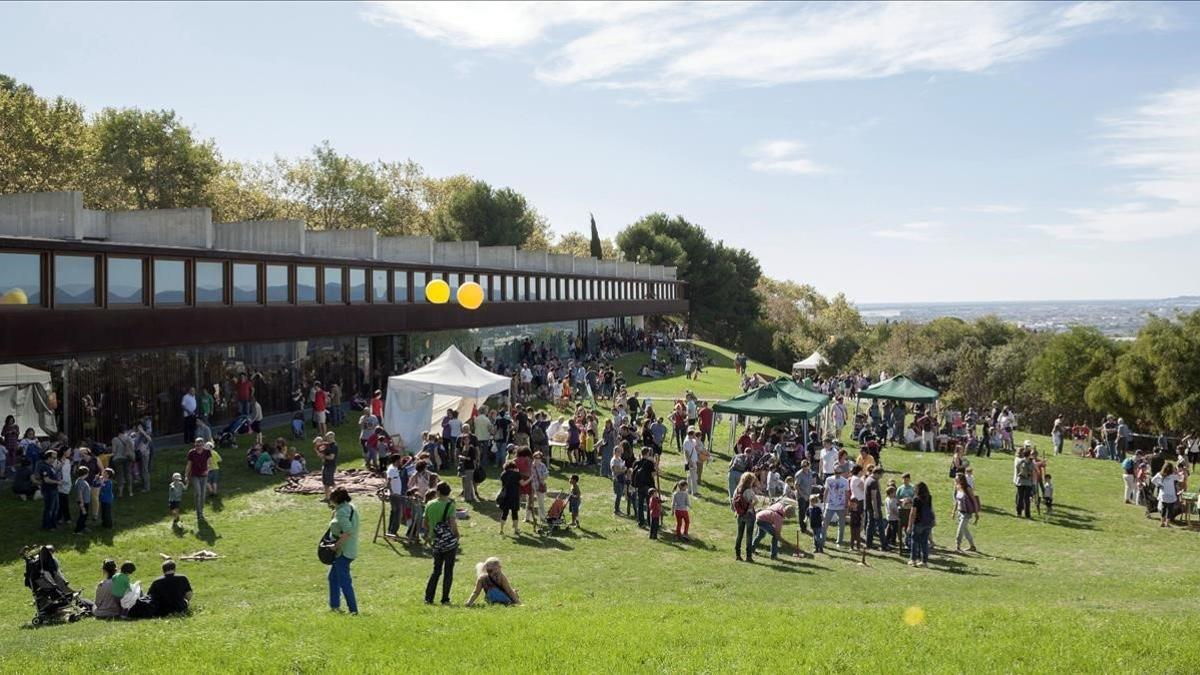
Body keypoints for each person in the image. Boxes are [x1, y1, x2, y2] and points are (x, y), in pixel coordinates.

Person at [424, 482, 460, 605]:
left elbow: (425, 523)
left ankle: (428, 598)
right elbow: (452, 523)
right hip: (449, 542)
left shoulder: (429, 504)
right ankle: (445, 599)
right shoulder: (451, 505)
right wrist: (457, 536)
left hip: (436, 541)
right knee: (448, 571)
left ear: (437, 491)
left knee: (436, 571)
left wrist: (431, 534)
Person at [326, 487, 359, 614]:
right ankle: (334, 606)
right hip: (349, 549)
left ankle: (353, 610)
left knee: (345, 582)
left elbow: (348, 531)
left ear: (336, 499)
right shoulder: (350, 507)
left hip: (343, 551)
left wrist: (335, 546)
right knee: (333, 578)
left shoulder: (341, 512)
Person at [908, 482, 935, 567]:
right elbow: (931, 509)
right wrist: (934, 519)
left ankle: (913, 560)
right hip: (927, 522)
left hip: (918, 523)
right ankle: (924, 561)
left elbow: (913, 513)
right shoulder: (929, 497)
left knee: (914, 541)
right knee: (924, 542)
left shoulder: (916, 499)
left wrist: (909, 525)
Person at [184, 438, 210, 521]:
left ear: (203, 445)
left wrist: (207, 470)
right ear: (195, 445)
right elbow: (189, 465)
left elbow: (209, 462)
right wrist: (186, 476)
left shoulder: (207, 452)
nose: (199, 447)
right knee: (198, 493)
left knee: (203, 494)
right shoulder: (192, 453)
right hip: (195, 475)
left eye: (200, 445)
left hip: (204, 475)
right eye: (197, 445)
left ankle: (201, 511)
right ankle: (198, 513)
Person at [951, 474, 979, 552]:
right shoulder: (957, 487)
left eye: (956, 479)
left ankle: (957, 546)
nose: (955, 480)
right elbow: (956, 501)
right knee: (965, 530)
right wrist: (953, 511)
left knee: (960, 530)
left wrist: (976, 514)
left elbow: (974, 501)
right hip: (960, 512)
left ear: (961, 480)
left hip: (966, 513)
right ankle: (972, 546)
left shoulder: (967, 488)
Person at [732, 472, 757, 561]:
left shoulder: (737, 489)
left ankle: (737, 555)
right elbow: (756, 501)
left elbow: (733, 501)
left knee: (739, 535)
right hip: (749, 514)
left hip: (740, 514)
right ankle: (748, 556)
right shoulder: (749, 491)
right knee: (749, 536)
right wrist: (750, 506)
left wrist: (737, 511)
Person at [630, 448, 657, 528]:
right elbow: (652, 474)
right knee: (650, 504)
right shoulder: (649, 463)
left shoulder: (636, 463)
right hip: (649, 486)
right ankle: (649, 521)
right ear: (648, 453)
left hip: (639, 486)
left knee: (640, 504)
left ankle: (641, 522)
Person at [823, 468, 850, 547]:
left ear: (841, 472)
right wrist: (824, 503)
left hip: (841, 506)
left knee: (841, 525)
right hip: (830, 505)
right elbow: (826, 491)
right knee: (824, 524)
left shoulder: (845, 481)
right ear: (834, 472)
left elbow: (847, 494)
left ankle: (839, 542)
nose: (837, 474)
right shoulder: (829, 479)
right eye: (836, 472)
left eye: (839, 472)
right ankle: (822, 540)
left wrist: (846, 506)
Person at [1151, 463, 1182, 527]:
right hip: (1171, 495)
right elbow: (1180, 478)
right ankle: (1167, 523)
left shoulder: (1159, 474)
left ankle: (1162, 522)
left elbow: (1152, 480)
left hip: (1163, 495)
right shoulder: (1172, 476)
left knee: (1163, 509)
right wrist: (1176, 472)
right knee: (1169, 510)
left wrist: (1158, 485)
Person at [37, 450, 61, 530]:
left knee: (55, 508)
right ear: (48, 457)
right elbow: (46, 480)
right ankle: (47, 526)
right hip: (48, 490)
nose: (54, 460)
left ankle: (53, 524)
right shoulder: (44, 466)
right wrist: (57, 482)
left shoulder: (50, 466)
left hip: (54, 489)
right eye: (53, 458)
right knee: (49, 509)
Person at [498, 460, 523, 536]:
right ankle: (516, 530)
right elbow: (523, 483)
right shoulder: (517, 474)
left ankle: (501, 530)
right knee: (514, 513)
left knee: (504, 513)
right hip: (514, 496)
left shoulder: (503, 474)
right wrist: (530, 478)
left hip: (505, 496)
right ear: (513, 467)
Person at [386, 454, 407, 537]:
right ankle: (393, 531)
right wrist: (391, 493)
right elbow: (388, 482)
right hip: (395, 495)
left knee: (394, 513)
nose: (400, 461)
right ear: (396, 461)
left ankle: (391, 531)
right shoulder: (391, 469)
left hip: (397, 494)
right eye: (400, 460)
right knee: (397, 513)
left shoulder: (395, 468)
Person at [319, 437, 338, 502]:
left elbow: (331, 457)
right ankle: (327, 497)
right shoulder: (327, 446)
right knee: (325, 482)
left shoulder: (334, 447)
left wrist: (323, 456)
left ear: (333, 438)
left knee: (331, 482)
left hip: (331, 466)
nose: (328, 439)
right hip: (325, 465)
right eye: (327, 438)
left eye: (330, 438)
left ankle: (339, 495)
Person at [73, 466, 91, 534]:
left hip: (85, 501)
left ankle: (83, 526)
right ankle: (78, 530)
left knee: (85, 515)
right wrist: (82, 505)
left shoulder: (81, 480)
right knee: (82, 515)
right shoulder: (81, 482)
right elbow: (80, 494)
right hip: (83, 502)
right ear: (86, 474)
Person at [610, 446, 627, 515]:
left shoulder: (619, 459)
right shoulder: (614, 460)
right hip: (617, 478)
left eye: (620, 451)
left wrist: (623, 469)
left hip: (621, 477)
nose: (620, 453)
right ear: (615, 452)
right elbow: (615, 470)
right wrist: (623, 470)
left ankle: (618, 508)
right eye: (619, 451)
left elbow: (621, 467)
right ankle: (616, 509)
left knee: (620, 494)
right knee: (618, 494)